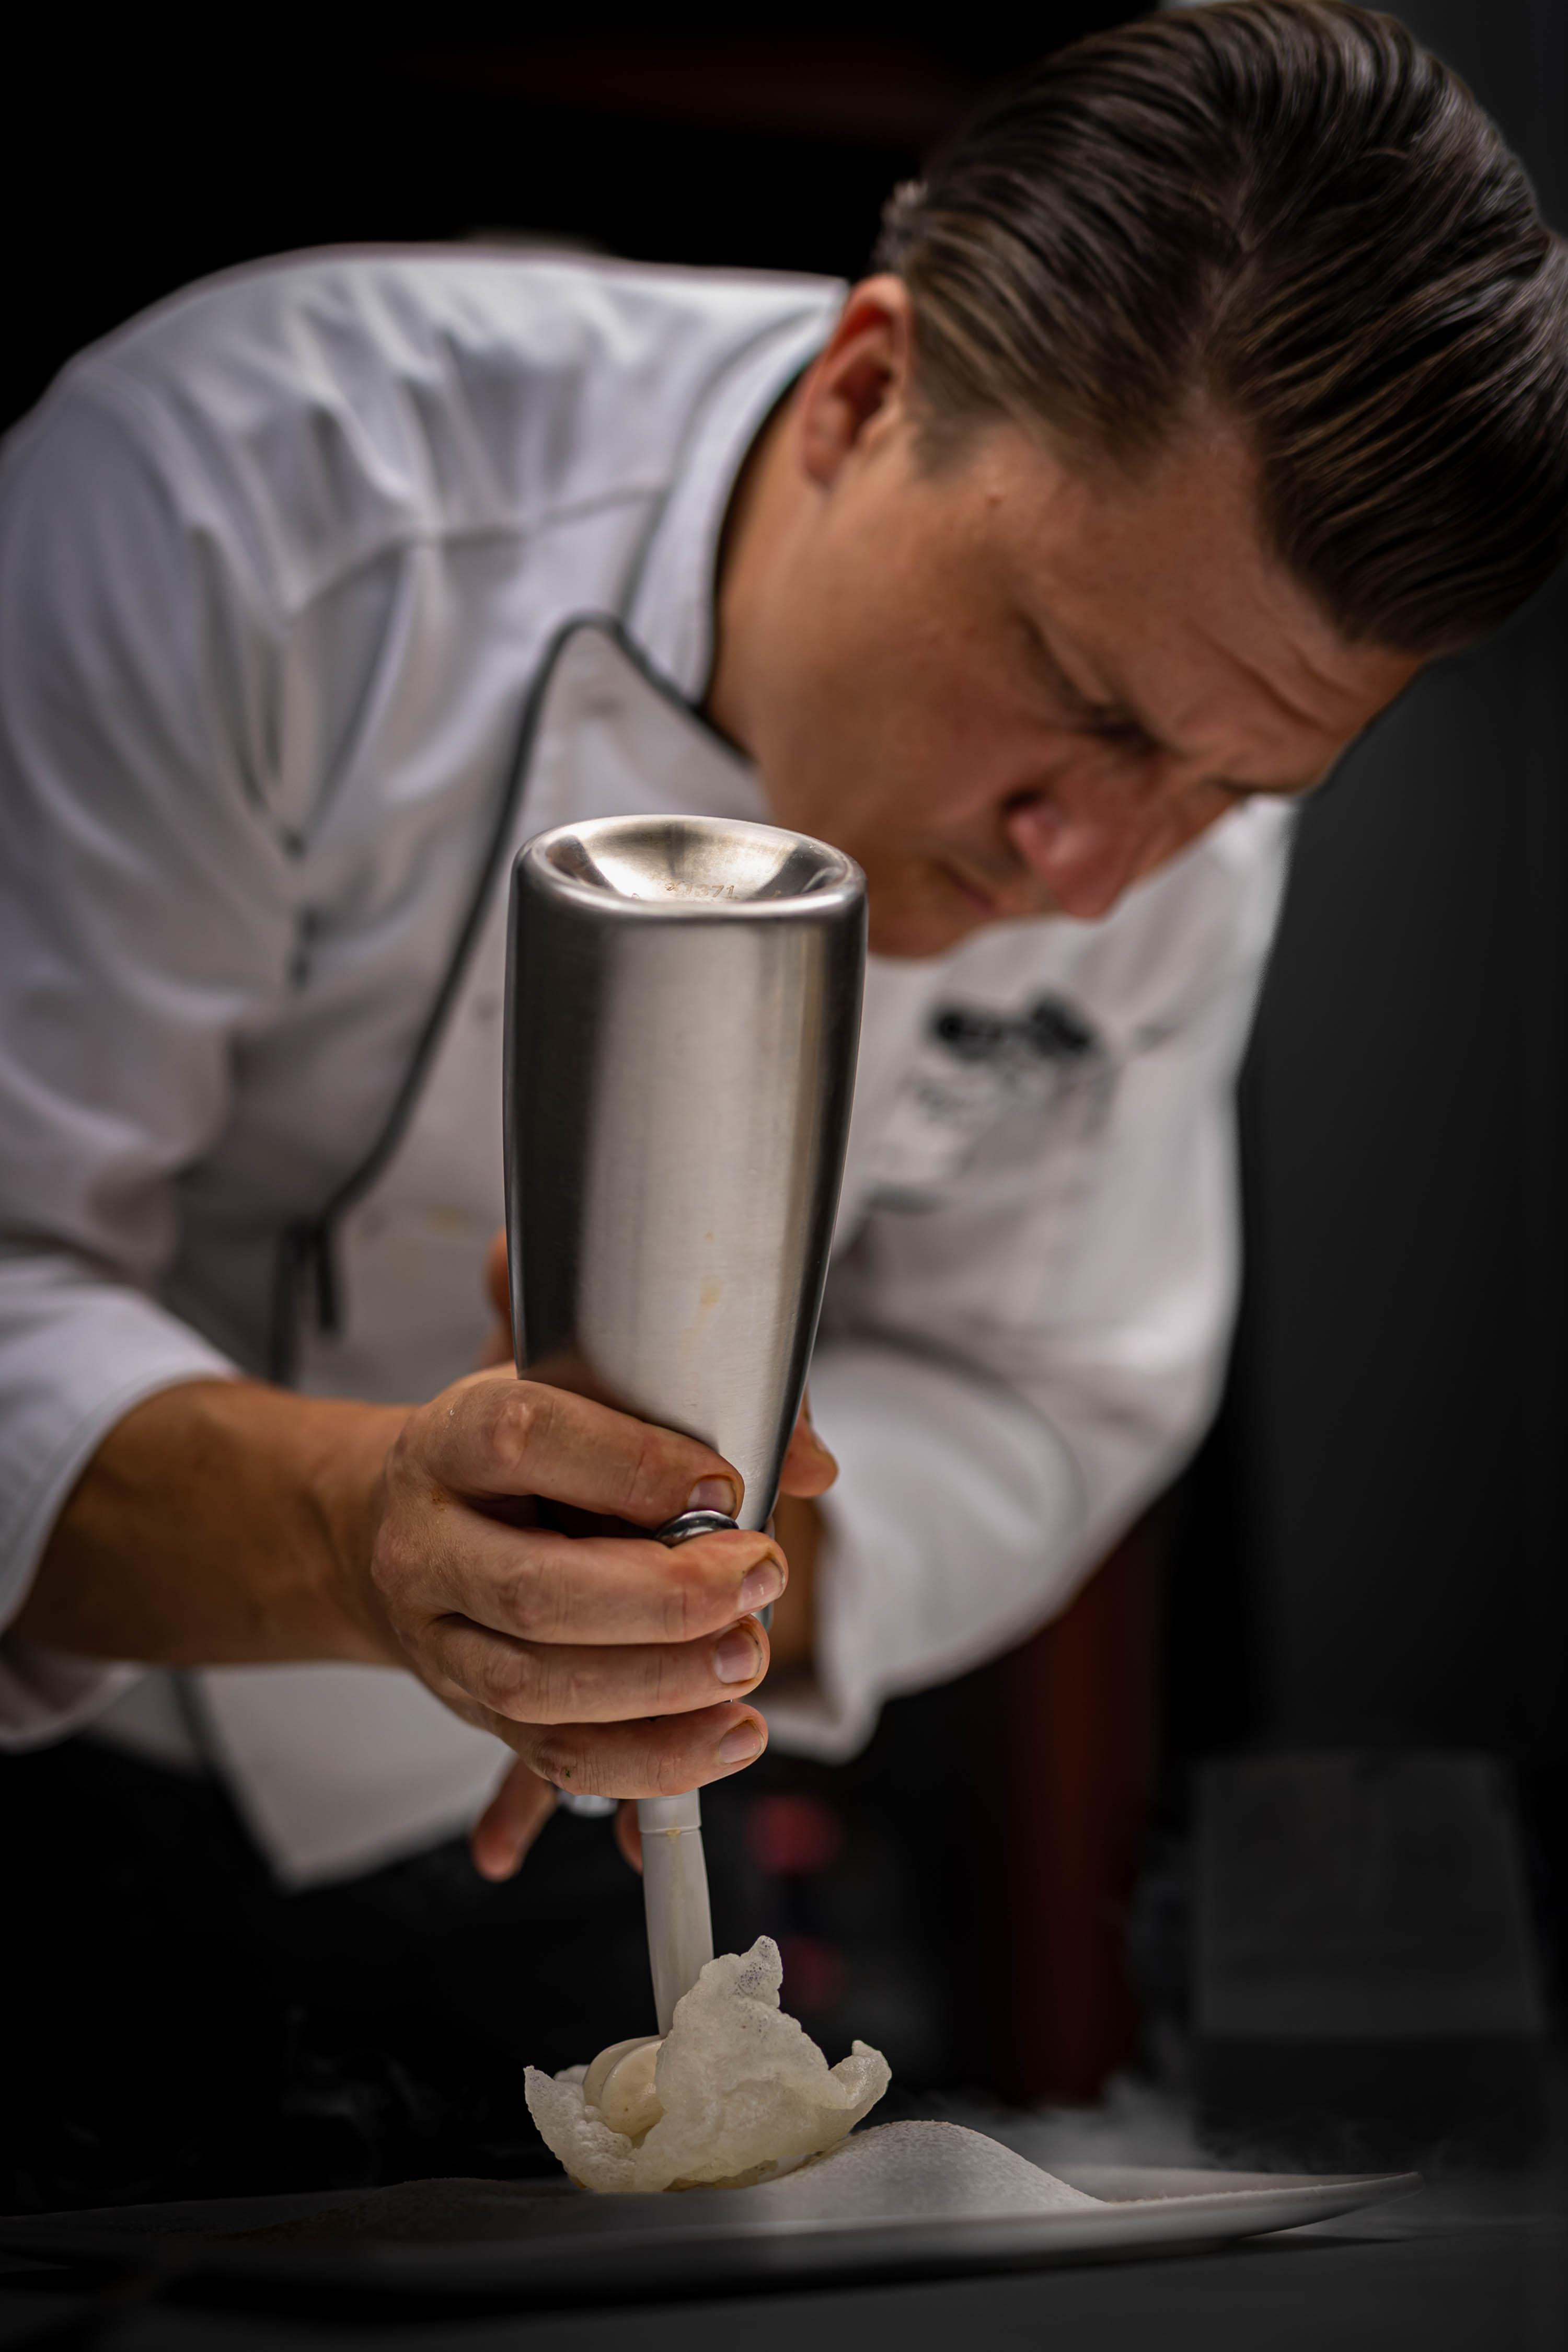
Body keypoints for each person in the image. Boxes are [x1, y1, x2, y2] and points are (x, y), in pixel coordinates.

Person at [2, 2, 1564, 2207]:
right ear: (861, 392)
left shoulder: (1171, 805)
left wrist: (693, 1576)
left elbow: (1048, 1389)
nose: (1094, 877)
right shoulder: (249, 492)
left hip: (579, 1847)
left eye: (1236, 787)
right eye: (1080, 701)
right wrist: (374, 1531)